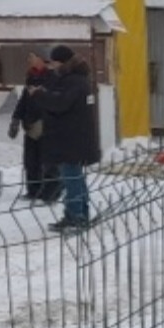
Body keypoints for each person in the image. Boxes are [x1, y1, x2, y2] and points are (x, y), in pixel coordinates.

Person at [27, 44, 99, 231]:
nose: (53, 67)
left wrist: (40, 95)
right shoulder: (78, 80)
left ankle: (75, 216)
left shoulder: (73, 81)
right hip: (74, 139)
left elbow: (60, 104)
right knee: (75, 177)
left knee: (71, 178)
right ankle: (80, 213)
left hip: (70, 140)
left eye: (55, 63)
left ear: (63, 62)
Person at [7, 59, 63, 203]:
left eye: (34, 58)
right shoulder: (31, 77)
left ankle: (51, 192)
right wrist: (16, 119)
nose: (31, 61)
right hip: (30, 125)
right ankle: (33, 190)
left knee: (48, 161)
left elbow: (55, 101)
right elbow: (24, 101)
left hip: (46, 125)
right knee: (31, 161)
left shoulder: (54, 78)